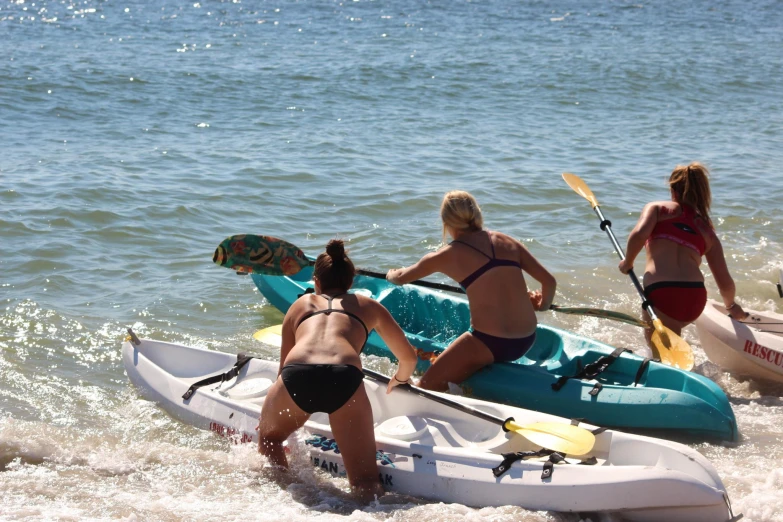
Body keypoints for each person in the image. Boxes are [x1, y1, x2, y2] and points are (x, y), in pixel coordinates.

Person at [257, 239, 418, 501]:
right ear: (351, 281)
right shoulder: (370, 306)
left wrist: (273, 415)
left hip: (297, 375)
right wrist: (399, 379)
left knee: (270, 439)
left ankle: (288, 497)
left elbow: (283, 366)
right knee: (365, 480)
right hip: (344, 378)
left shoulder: (300, 305)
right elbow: (408, 359)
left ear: (315, 281)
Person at [386, 190, 556, 392]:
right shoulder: (506, 241)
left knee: (426, 385)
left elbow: (402, 278)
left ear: (446, 221)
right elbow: (549, 282)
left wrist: (391, 274)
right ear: (476, 213)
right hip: (527, 338)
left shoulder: (445, 255)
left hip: (490, 343)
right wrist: (541, 305)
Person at [618, 162, 749, 348]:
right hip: (695, 297)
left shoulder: (657, 209)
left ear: (673, 189)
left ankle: (671, 372)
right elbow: (725, 281)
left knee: (662, 354)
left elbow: (639, 235)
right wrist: (731, 306)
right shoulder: (706, 229)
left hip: (663, 293)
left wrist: (628, 262)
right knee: (673, 341)